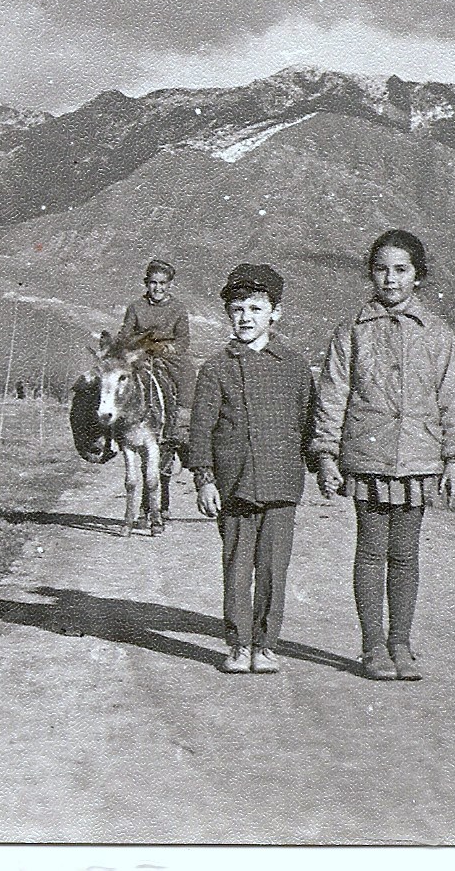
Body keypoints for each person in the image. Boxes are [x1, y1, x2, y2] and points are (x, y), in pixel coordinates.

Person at [312, 230, 455, 681]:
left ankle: (401, 643)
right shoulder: (351, 333)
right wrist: (326, 454)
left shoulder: (438, 334)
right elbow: (332, 395)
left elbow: (454, 398)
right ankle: (372, 647)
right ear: (371, 273)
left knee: (405, 555)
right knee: (370, 552)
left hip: (420, 458)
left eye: (401, 269)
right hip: (368, 457)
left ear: (418, 277)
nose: (391, 278)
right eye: (382, 268)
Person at [189, 264, 317, 675]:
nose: (246, 317)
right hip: (235, 485)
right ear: (228, 314)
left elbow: (309, 422)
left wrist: (323, 467)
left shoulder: (295, 366)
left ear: (275, 313)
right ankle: (238, 644)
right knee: (237, 568)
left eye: (256, 309)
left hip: (281, 483)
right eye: (237, 309)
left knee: (274, 570)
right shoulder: (216, 368)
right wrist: (205, 479)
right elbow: (201, 428)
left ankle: (265, 645)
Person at [119, 259, 192, 448]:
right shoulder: (136, 307)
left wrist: (169, 348)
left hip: (168, 355)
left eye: (162, 283)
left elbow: (183, 339)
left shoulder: (178, 308)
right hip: (141, 352)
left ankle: (181, 424)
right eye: (153, 282)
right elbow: (125, 334)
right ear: (146, 283)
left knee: (187, 374)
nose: (157, 288)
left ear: (169, 285)